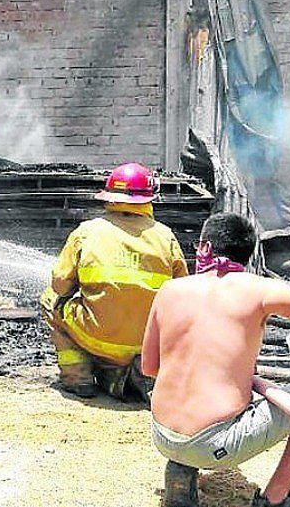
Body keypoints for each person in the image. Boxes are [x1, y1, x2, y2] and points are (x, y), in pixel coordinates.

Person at [142, 212, 290, 507]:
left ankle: (181, 470)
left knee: (189, 384)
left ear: (204, 248)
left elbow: (150, 367)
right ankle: (274, 503)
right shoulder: (256, 289)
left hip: (162, 435)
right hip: (213, 444)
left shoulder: (170, 290)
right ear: (247, 254)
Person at [40, 163, 189, 400]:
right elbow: (184, 294)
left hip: (96, 339)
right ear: (149, 198)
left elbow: (60, 285)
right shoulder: (165, 236)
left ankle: (78, 378)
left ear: (108, 197)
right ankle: (142, 371)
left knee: (50, 299)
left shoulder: (87, 232)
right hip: (148, 345)